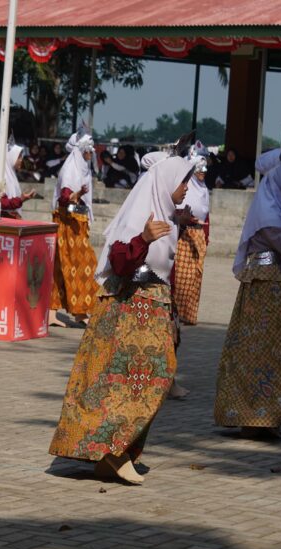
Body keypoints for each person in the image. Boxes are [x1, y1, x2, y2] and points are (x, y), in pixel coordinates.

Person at [49, 156, 194, 485]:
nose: (187, 187)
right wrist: (142, 239)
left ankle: (116, 451)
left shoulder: (165, 214)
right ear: (166, 181)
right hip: (127, 313)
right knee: (129, 382)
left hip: (149, 313)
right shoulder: (143, 212)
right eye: (183, 180)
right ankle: (113, 452)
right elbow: (118, 260)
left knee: (149, 379)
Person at [213, 146, 281, 438]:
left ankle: (267, 413)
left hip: (278, 284)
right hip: (265, 286)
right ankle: (255, 417)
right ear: (278, 177)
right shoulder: (267, 212)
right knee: (262, 352)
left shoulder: (279, 207)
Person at [48, 129, 100, 328]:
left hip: (76, 223)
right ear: (81, 150)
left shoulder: (82, 169)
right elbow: (64, 197)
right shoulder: (71, 170)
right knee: (85, 265)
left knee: (61, 268)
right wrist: (76, 194)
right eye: (89, 149)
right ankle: (80, 310)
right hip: (68, 224)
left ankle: (56, 312)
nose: (91, 152)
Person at [171, 142, 211, 326]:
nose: (203, 171)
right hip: (184, 236)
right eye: (199, 167)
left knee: (195, 277)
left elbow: (206, 215)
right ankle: (176, 312)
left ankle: (188, 314)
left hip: (198, 237)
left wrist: (205, 238)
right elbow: (174, 211)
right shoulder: (183, 186)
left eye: (205, 166)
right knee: (182, 278)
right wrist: (184, 220)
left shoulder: (203, 189)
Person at [0, 142, 34, 218]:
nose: (21, 160)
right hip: (3, 221)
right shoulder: (1, 177)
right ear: (11, 157)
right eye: (19, 157)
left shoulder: (10, 175)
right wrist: (20, 199)